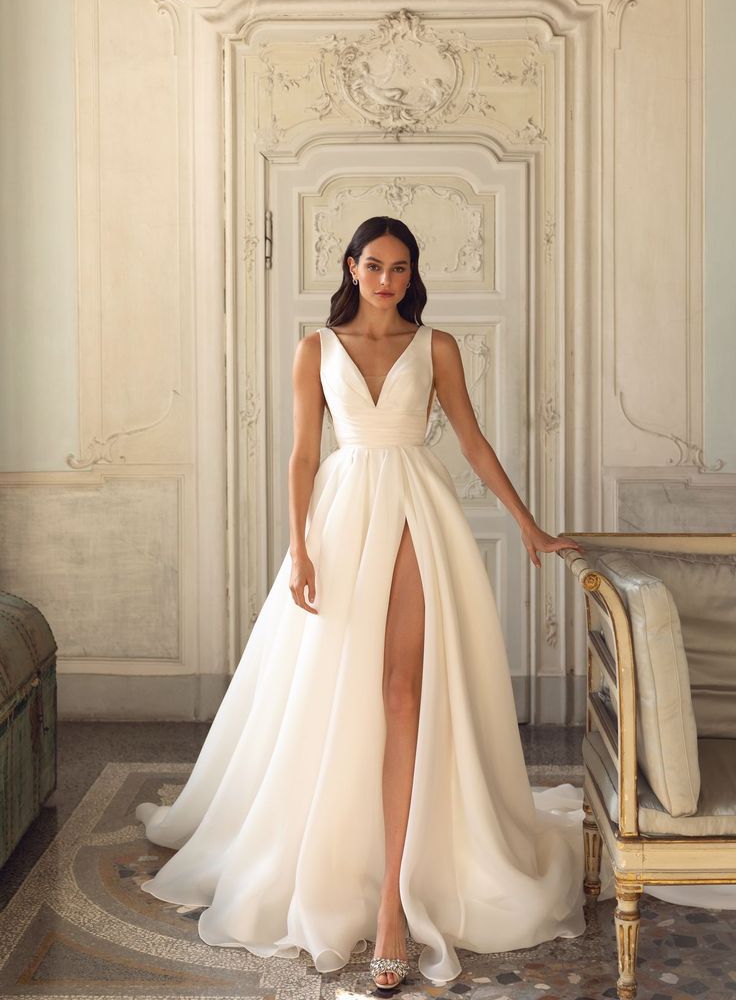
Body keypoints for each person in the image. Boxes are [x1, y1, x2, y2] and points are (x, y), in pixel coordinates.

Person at [136, 215, 734, 991]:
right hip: (343, 518)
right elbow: (302, 453)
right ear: (351, 268)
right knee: (337, 696)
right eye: (375, 265)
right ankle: (340, 856)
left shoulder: (435, 346)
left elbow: (474, 441)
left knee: (402, 691)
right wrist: (300, 550)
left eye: (401, 267)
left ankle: (393, 903)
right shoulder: (314, 350)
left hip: (418, 508)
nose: (388, 279)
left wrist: (529, 528)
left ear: (411, 273)